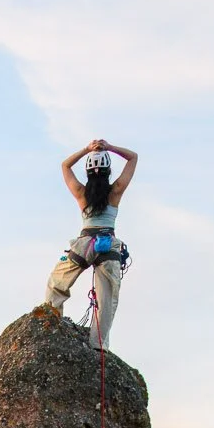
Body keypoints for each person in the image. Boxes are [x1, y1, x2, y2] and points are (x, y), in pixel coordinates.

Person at [44, 137, 137, 345]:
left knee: (56, 284)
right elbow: (133, 158)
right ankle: (99, 345)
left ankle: (52, 326)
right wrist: (110, 147)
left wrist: (87, 149)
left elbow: (65, 165)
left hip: (84, 244)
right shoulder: (116, 191)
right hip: (108, 244)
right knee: (106, 299)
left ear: (87, 173)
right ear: (108, 171)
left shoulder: (81, 193)